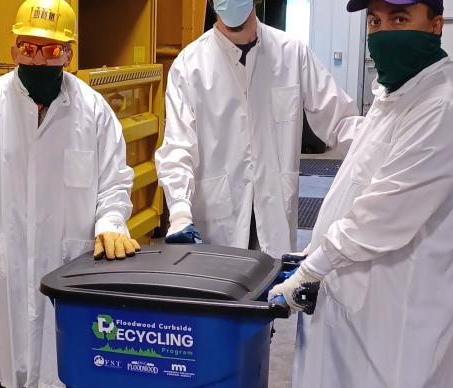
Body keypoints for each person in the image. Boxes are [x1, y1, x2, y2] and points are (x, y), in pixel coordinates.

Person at [269, 0, 453, 388]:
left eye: (401, 19)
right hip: (366, 299)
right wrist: (313, 251)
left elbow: (382, 213)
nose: (384, 31)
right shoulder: (394, 93)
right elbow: (356, 182)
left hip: (400, 309)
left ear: (436, 25)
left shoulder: (443, 107)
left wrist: (313, 267)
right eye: (375, 20)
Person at [0, 1, 138, 388]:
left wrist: (110, 222)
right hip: (1, 270)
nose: (38, 59)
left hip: (70, 266)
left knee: (72, 378)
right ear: (14, 50)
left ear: (69, 53)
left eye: (51, 51)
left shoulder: (93, 111)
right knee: (6, 372)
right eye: (29, 48)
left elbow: (115, 182)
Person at [155, 0, 362, 256]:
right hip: (216, 221)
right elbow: (177, 145)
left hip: (275, 213)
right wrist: (179, 211)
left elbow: (341, 120)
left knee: (271, 288)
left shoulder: (292, 53)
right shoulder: (189, 64)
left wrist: (384, 150)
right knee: (220, 289)